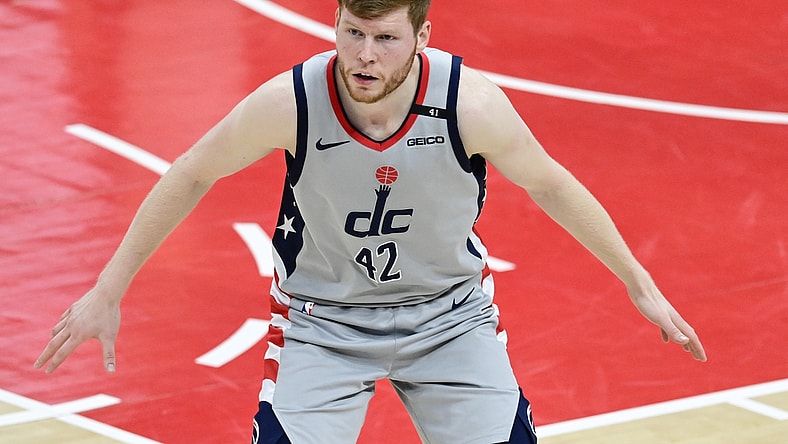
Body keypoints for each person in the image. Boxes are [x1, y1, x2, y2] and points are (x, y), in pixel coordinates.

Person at [35, 0, 707, 442]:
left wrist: (639, 283)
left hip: (448, 317)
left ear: (422, 36)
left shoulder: (469, 105)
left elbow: (553, 186)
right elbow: (190, 171)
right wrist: (108, 288)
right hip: (323, 322)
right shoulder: (293, 101)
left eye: (385, 38)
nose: (364, 56)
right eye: (352, 32)